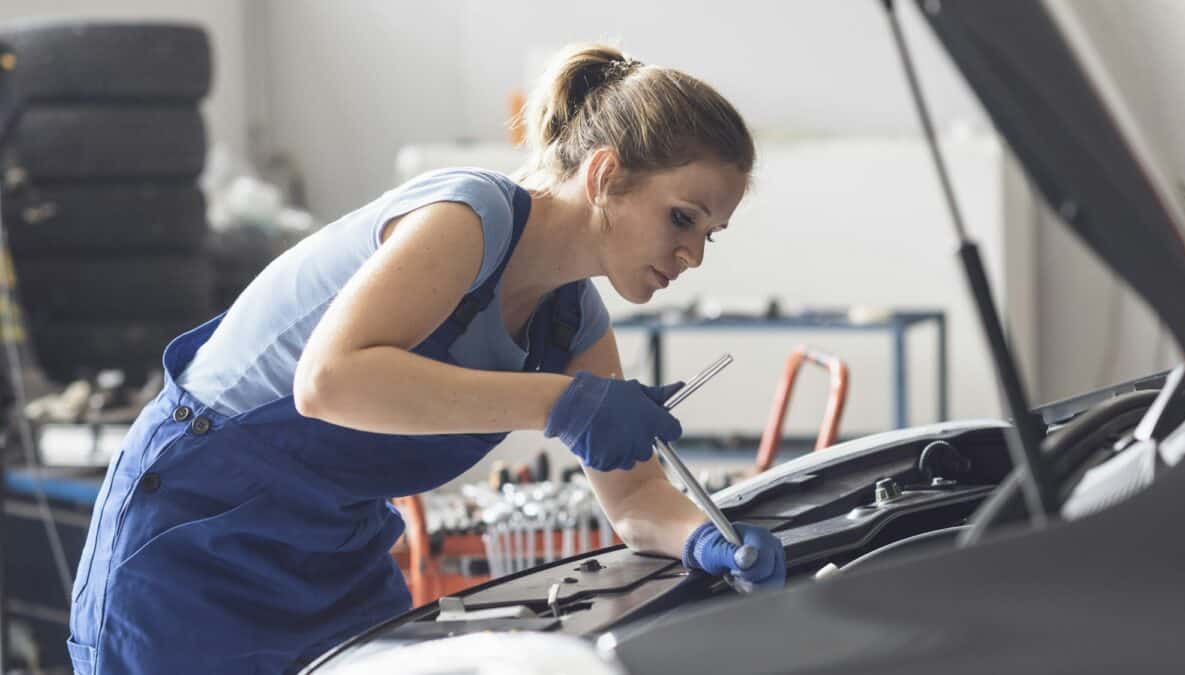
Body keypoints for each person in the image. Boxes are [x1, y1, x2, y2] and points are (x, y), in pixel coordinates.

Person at [66, 42, 786, 675]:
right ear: (603, 176)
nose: (691, 254)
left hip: (333, 560)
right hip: (195, 543)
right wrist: (561, 405)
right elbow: (330, 381)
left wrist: (706, 539)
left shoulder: (569, 320)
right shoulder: (468, 217)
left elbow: (633, 502)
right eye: (681, 218)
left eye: (709, 235)